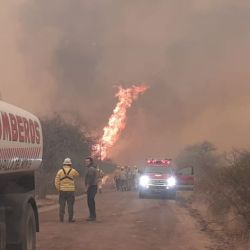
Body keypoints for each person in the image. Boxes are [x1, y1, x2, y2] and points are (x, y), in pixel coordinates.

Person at [55, 158, 79, 223]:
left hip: (62, 190)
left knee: (62, 205)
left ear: (64, 164)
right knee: (70, 205)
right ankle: (70, 219)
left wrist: (58, 189)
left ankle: (61, 219)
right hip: (71, 191)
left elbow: (56, 181)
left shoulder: (60, 171)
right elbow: (77, 174)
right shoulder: (73, 170)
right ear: (70, 164)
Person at [85, 157, 98, 221]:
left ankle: (92, 216)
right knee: (90, 201)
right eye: (86, 161)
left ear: (90, 162)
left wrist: (87, 188)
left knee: (90, 200)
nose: (86, 162)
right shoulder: (91, 168)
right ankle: (92, 215)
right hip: (92, 186)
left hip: (92, 187)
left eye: (87, 161)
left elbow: (90, 179)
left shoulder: (91, 169)